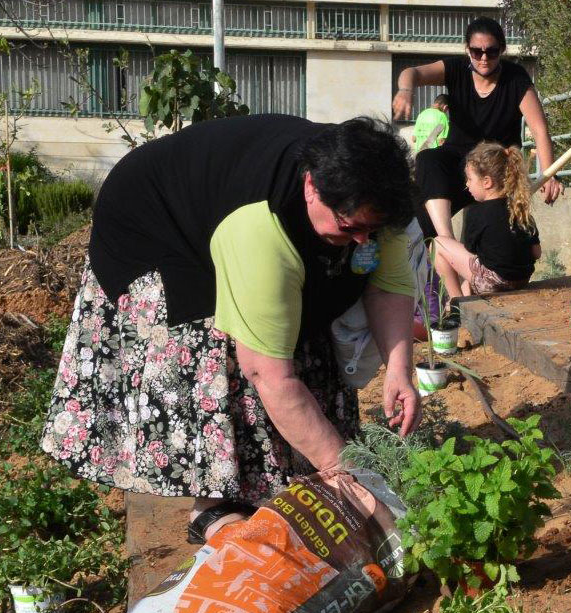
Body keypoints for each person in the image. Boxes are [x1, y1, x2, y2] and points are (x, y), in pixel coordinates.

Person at [41, 114, 423, 544]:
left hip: (232, 209)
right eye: (350, 228)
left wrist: (398, 371)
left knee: (295, 330)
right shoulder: (259, 225)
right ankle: (214, 504)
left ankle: (284, 482)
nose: (362, 241)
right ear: (312, 186)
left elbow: (387, 285)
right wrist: (350, 477)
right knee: (217, 348)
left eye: (372, 231)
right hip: (158, 232)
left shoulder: (376, 195)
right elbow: (269, 373)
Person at [392, 17, 562, 239]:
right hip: (458, 160)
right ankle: (445, 238)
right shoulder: (456, 69)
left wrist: (549, 174)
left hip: (496, 163)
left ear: (501, 49)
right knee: (427, 163)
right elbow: (411, 72)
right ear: (467, 50)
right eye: (476, 51)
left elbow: (539, 129)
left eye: (491, 52)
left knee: (483, 226)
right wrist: (406, 91)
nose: (484, 58)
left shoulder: (516, 78)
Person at [432, 142, 540, 300]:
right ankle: (466, 296)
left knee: (437, 244)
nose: (467, 185)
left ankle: (455, 302)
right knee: (474, 277)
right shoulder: (520, 209)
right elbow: (537, 253)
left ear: (487, 182)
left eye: (469, 179)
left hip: (494, 283)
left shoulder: (476, 211)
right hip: (522, 280)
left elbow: (470, 249)